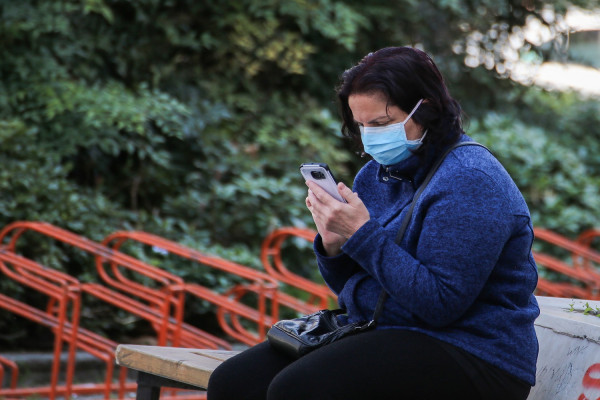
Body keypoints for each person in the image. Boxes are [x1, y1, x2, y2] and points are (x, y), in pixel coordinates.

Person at [207, 46, 539, 400]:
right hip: (385, 328)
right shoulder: (376, 175)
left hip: (474, 352)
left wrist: (361, 235)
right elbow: (353, 290)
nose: (370, 136)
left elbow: (439, 305)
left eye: (380, 123)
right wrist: (335, 244)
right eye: (361, 125)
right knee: (233, 383)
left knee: (298, 389)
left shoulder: (470, 180)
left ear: (426, 109)